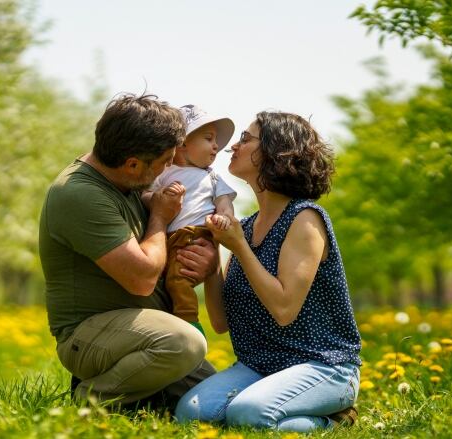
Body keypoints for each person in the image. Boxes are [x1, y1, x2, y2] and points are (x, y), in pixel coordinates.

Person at [175, 111, 363, 432]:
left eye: (246, 139)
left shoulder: (304, 218)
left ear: (277, 150)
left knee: (248, 414)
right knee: (190, 414)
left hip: (322, 365)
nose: (232, 146)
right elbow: (220, 323)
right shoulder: (243, 229)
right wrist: (211, 268)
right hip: (259, 367)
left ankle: (336, 422)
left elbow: (284, 309)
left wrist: (238, 248)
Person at [38, 94, 219, 409]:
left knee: (215, 405)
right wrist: (161, 217)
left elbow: (159, 253)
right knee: (184, 343)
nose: (171, 167)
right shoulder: (79, 194)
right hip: (89, 336)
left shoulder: (127, 180)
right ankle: (90, 402)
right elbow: (143, 278)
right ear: (133, 163)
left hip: (145, 335)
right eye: (165, 161)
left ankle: (133, 399)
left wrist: (202, 262)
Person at [141, 104, 236, 335]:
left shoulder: (211, 176)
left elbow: (224, 202)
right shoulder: (164, 172)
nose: (215, 146)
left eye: (215, 141)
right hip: (167, 238)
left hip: (197, 235)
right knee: (163, 281)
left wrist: (224, 217)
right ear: (183, 143)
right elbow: (145, 195)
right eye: (208, 138)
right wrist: (159, 198)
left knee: (178, 281)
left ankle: (189, 326)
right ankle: (167, 326)